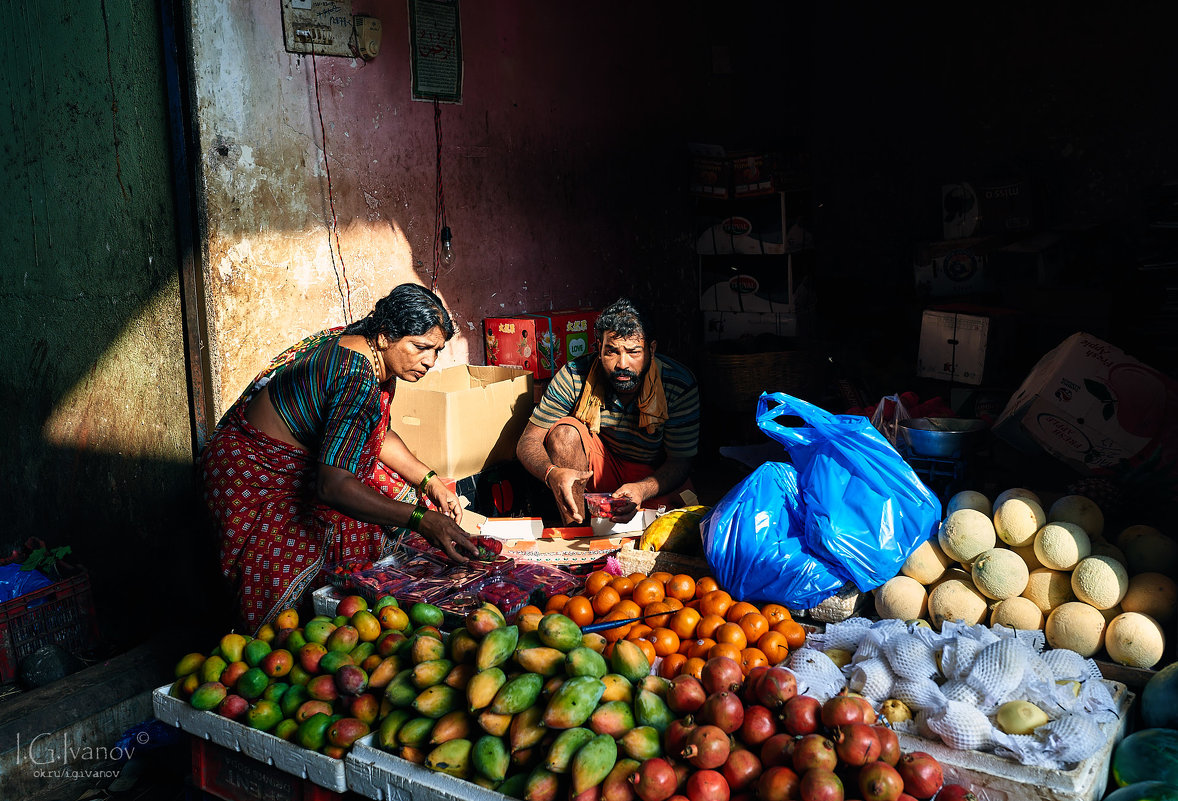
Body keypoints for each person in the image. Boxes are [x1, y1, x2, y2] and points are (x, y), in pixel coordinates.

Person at [199, 283, 478, 632]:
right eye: (421, 347)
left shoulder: (363, 347)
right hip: (253, 474)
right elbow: (332, 486)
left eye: (436, 350)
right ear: (385, 336)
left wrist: (430, 481)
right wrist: (422, 519)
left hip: (298, 458)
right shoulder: (355, 376)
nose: (430, 361)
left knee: (400, 492)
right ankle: (300, 630)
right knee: (307, 546)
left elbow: (375, 433)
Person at [516, 297, 701, 524]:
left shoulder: (678, 384)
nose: (622, 364)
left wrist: (642, 490)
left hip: (652, 476)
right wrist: (551, 473)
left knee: (677, 528)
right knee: (564, 433)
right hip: (597, 469)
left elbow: (680, 461)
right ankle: (578, 534)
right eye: (611, 351)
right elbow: (528, 441)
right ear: (598, 348)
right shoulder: (574, 375)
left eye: (633, 352)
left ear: (651, 350)